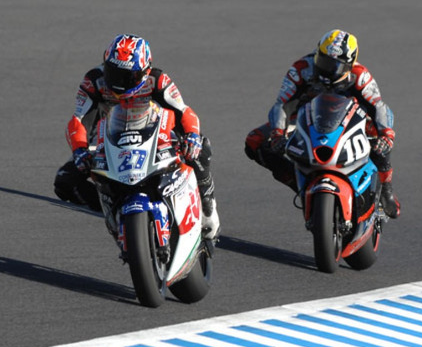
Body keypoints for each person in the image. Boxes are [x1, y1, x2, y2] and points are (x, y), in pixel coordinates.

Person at [54, 34, 220, 238]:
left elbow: (184, 112)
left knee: (200, 146)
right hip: (110, 140)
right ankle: (115, 208)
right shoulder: (93, 81)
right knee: (65, 182)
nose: (117, 83)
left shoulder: (157, 80)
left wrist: (192, 136)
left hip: (154, 136)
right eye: (112, 72)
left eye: (126, 77)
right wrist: (79, 150)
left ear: (144, 72)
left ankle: (207, 203)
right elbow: (78, 121)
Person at [245, 29, 401, 218]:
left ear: (349, 65)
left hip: (351, 119)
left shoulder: (360, 75)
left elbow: (379, 107)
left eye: (335, 66)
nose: (327, 70)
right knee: (255, 142)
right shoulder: (301, 69)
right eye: (323, 60)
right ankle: (300, 183)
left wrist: (387, 136)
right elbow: (282, 105)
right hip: (306, 119)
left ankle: (386, 189)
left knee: (380, 142)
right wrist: (278, 133)